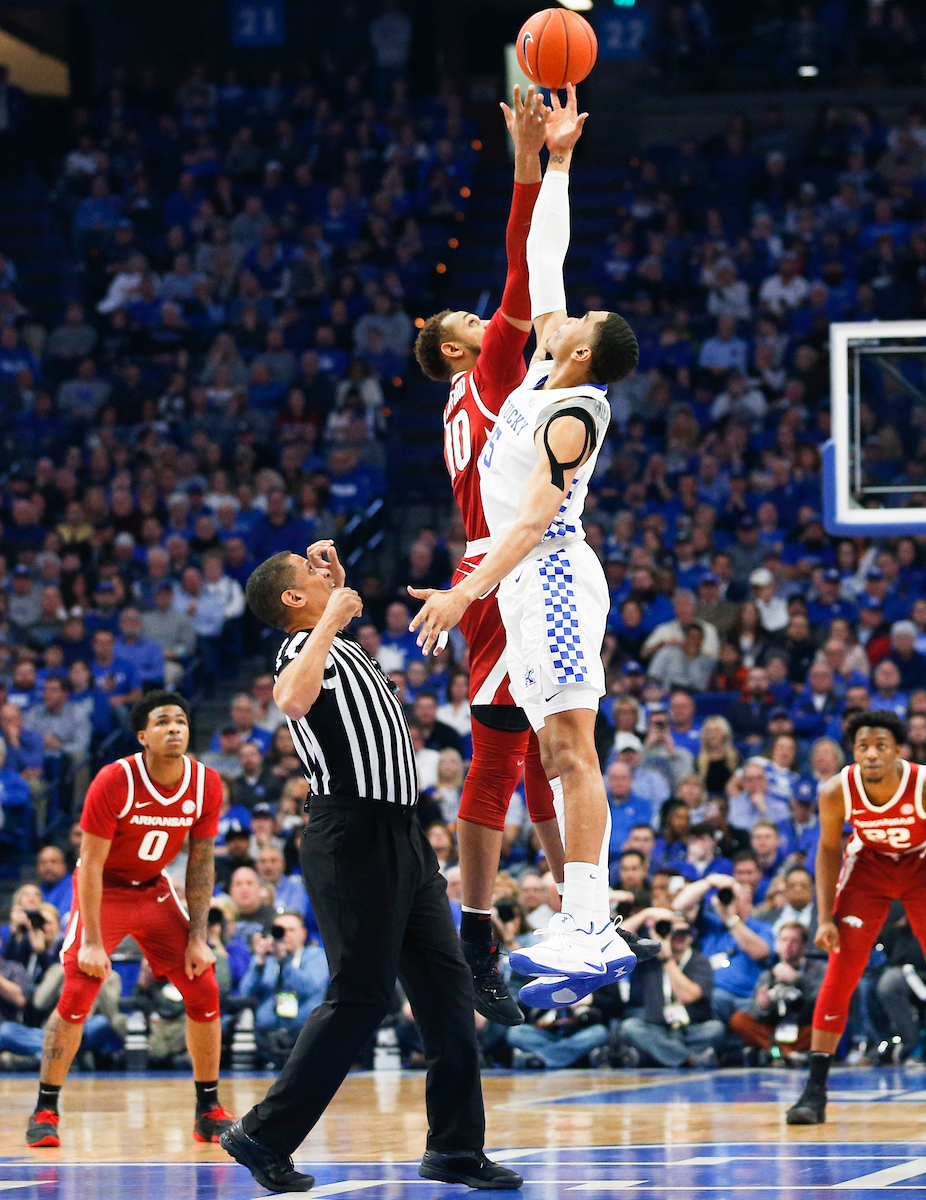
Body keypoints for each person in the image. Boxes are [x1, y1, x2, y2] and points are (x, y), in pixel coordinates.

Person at [409, 86, 642, 1007]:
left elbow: (541, 517)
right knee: (544, 750)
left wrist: (466, 593)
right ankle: (576, 914)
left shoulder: (556, 398)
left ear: (581, 352)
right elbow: (546, 255)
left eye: (576, 323)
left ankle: (585, 919)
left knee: (559, 750)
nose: (565, 313)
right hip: (510, 568)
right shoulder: (542, 359)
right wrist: (560, 164)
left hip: (533, 564)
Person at [226, 540, 521, 1193]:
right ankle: (264, 1135)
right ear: (293, 602)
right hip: (351, 833)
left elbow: (328, 638)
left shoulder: (336, 643)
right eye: (308, 577)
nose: (323, 580)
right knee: (360, 996)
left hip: (403, 836)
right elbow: (292, 700)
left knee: (447, 993)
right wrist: (330, 615)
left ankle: (455, 1148)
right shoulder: (296, 650)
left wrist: (334, 590)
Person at [413, 84, 562, 1026]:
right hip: (501, 574)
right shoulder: (494, 369)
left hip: (502, 567)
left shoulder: (460, 407)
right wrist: (530, 161)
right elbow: (520, 263)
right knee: (504, 752)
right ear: (463, 350)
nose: (483, 317)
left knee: (551, 738)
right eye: (469, 323)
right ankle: (475, 931)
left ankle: (574, 901)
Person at [26, 691, 232, 1149]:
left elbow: (201, 864)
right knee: (79, 988)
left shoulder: (207, 784)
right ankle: (45, 1108)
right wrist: (94, 942)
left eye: (181, 721)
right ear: (143, 736)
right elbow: (91, 864)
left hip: (155, 891)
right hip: (104, 891)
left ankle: (208, 1109)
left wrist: (198, 937)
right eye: (162, 722)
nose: (175, 728)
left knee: (204, 985)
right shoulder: (113, 779)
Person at [788, 710, 926, 1125]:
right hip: (869, 870)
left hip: (920, 866)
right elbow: (828, 850)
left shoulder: (921, 783)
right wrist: (826, 917)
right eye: (863, 747)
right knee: (842, 971)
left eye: (881, 746)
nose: (871, 754)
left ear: (898, 750)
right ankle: (815, 1091)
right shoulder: (836, 790)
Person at [619, 914, 723, 1068]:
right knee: (630, 1027)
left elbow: (688, 996)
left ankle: (662, 1055)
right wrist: (646, 914)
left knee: (716, 1029)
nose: (679, 937)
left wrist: (667, 960)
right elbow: (617, 939)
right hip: (657, 1028)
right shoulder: (648, 958)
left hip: (690, 1029)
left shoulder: (700, 961)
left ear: (692, 937)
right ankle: (689, 1059)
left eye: (685, 933)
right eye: (674, 933)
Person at [730, 922, 826, 1063]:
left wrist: (798, 980)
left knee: (827, 1026)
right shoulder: (768, 974)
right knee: (739, 1020)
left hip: (803, 1029)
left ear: (804, 945)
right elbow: (756, 1014)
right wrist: (762, 1005)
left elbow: (823, 1005)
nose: (788, 945)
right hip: (776, 1031)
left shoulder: (818, 970)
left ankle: (776, 1052)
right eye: (784, 940)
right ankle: (788, 1053)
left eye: (794, 941)